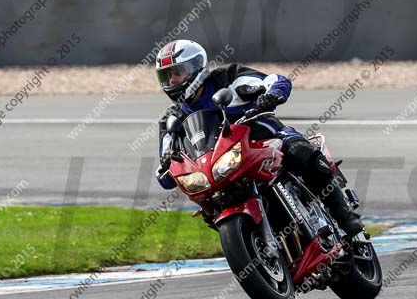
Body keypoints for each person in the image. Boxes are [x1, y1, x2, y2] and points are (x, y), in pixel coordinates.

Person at [153, 39, 363, 235]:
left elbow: (274, 80)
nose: (172, 80)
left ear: (195, 68)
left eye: (177, 73)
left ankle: (344, 215)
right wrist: (167, 166)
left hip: (263, 136)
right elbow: (165, 171)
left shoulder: (228, 77)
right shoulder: (172, 119)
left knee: (300, 152)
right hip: (221, 167)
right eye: (166, 76)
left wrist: (271, 95)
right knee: (210, 207)